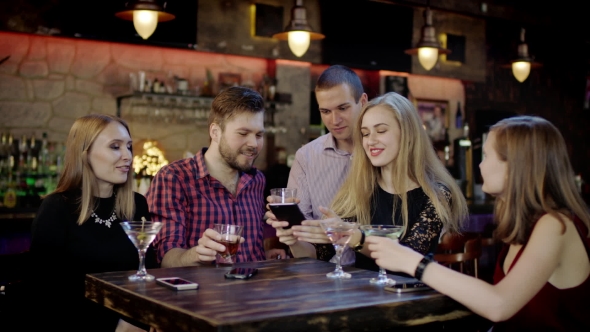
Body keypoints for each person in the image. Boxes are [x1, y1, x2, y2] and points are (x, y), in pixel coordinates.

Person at [366, 115, 590, 330]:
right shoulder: (527, 225)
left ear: (515, 166)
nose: (480, 166)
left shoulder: (556, 225)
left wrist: (413, 262)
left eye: (486, 156)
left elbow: (499, 305)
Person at [272, 92, 468, 270]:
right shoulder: (359, 189)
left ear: (408, 134)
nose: (370, 140)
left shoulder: (438, 194)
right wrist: (293, 239)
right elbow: (320, 255)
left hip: (410, 301)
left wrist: (353, 236)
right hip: (364, 300)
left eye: (381, 131)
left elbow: (408, 257)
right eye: (365, 134)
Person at [28, 114, 153, 331]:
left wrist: (135, 320)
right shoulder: (57, 208)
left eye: (129, 147)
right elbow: (44, 296)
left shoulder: (137, 204)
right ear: (85, 155)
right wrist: (115, 326)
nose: (128, 156)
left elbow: (148, 275)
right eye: (115, 147)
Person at [146, 86, 285, 268]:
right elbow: (165, 259)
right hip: (201, 294)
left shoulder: (256, 180)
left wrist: (263, 256)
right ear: (215, 132)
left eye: (259, 135)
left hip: (254, 292)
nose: (253, 144)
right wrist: (197, 254)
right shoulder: (174, 178)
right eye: (243, 133)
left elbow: (243, 254)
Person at [266, 65, 368, 260]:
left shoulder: (381, 152)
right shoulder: (306, 157)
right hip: (325, 280)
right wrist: (291, 236)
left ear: (362, 102)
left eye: (343, 108)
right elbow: (306, 251)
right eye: (325, 111)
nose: (334, 120)